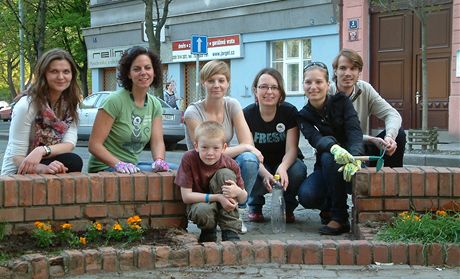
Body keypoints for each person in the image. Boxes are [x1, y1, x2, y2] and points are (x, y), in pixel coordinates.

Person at [184, 60, 261, 232]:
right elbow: (212, 150)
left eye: (221, 80)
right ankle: (211, 214)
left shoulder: (232, 105)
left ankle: (235, 212)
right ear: (203, 82)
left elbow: (247, 141)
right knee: (247, 152)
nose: (216, 85)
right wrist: (245, 147)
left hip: (223, 165)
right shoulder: (192, 112)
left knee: (249, 159)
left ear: (228, 83)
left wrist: (248, 149)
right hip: (201, 167)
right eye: (211, 81)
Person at [297, 62, 363, 235]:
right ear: (303, 85)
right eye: (308, 82)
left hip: (352, 163)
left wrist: (354, 158)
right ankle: (328, 206)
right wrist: (334, 148)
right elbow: (316, 139)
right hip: (326, 166)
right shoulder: (303, 115)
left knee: (331, 158)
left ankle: (339, 217)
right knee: (307, 195)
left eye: (318, 82)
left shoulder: (341, 101)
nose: (313, 87)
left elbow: (354, 131)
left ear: (327, 84)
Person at [88, 46, 170, 173]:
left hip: (133, 166)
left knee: (179, 171)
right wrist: (118, 164)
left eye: (148, 68)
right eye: (137, 69)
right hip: (105, 167)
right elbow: (94, 145)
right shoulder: (114, 101)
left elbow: (157, 142)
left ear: (154, 72)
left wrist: (159, 160)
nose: (143, 72)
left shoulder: (155, 104)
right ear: (128, 74)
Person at [1, 48, 83, 175]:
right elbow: (16, 157)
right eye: (54, 71)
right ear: (44, 74)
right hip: (18, 170)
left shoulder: (71, 105)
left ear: (72, 75)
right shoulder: (26, 105)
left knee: (73, 161)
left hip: (45, 158)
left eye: (66, 72)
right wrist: (44, 169)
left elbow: (69, 144)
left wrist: (42, 150)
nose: (61, 77)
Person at [243, 68, 307, 223]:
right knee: (248, 166)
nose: (269, 91)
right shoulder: (247, 114)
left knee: (298, 170)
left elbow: (292, 148)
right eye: (263, 86)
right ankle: (255, 204)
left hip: (285, 162)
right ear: (255, 90)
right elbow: (249, 150)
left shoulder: (289, 112)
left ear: (280, 92)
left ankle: (289, 206)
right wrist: (265, 173)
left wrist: (283, 168)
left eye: (274, 87)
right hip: (260, 164)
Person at [329, 48, 406, 167]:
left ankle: (391, 180)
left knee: (399, 135)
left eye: (353, 68)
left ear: (359, 71)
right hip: (337, 149)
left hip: (361, 145)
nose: (348, 73)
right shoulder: (328, 92)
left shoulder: (365, 89)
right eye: (343, 68)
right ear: (335, 71)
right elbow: (334, 134)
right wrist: (370, 139)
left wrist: (389, 136)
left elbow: (392, 114)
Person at [175, 121, 247, 242]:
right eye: (204, 147)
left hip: (225, 206)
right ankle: (208, 231)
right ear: (196, 145)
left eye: (215, 148)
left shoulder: (231, 164)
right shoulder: (189, 159)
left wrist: (238, 192)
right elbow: (186, 197)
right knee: (203, 210)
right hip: (200, 205)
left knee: (226, 174)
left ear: (224, 148)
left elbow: (243, 198)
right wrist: (218, 197)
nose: (210, 153)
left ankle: (230, 230)